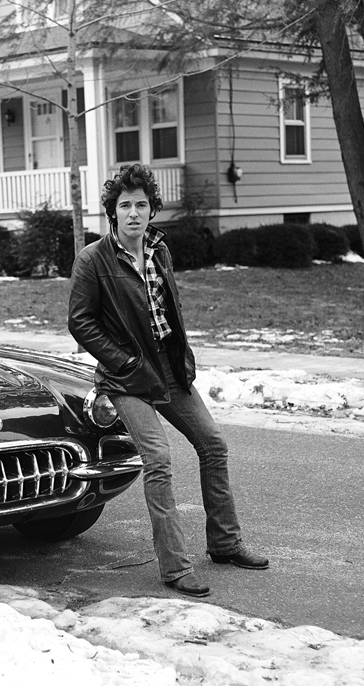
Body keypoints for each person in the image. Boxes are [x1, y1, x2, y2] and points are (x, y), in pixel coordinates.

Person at [68, 163, 268, 598]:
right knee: (157, 458)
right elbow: (81, 323)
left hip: (169, 369)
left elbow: (169, 313)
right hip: (126, 376)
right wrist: (123, 363)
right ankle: (175, 566)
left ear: (152, 209)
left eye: (142, 204)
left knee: (213, 444)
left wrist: (182, 358)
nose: (134, 213)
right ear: (113, 212)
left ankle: (226, 543)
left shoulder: (159, 250)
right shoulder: (93, 259)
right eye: (125, 205)